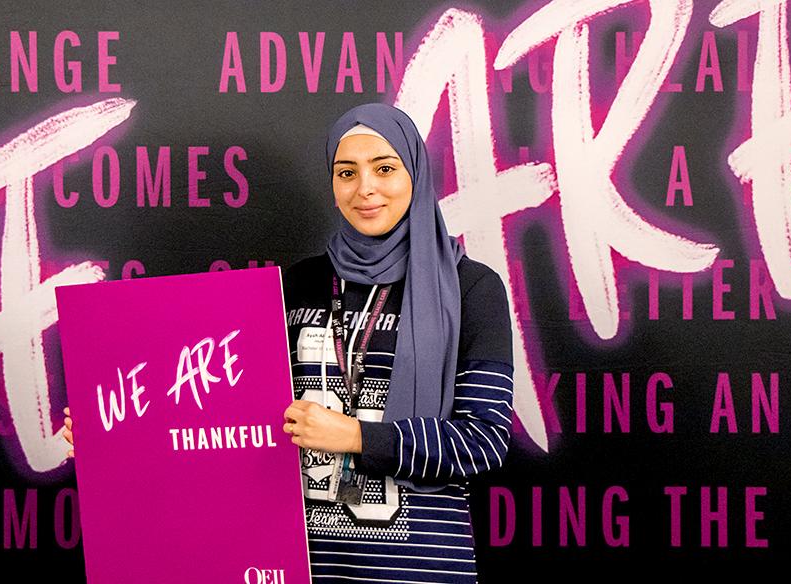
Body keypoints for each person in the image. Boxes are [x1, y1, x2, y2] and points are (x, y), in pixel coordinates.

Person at [63, 103, 513, 583]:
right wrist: (115, 433)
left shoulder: (469, 288)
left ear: (416, 174)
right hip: (293, 566)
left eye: (384, 168)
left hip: (417, 572)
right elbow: (225, 424)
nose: (365, 188)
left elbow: (483, 441)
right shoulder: (298, 285)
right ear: (333, 188)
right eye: (346, 173)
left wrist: (356, 436)